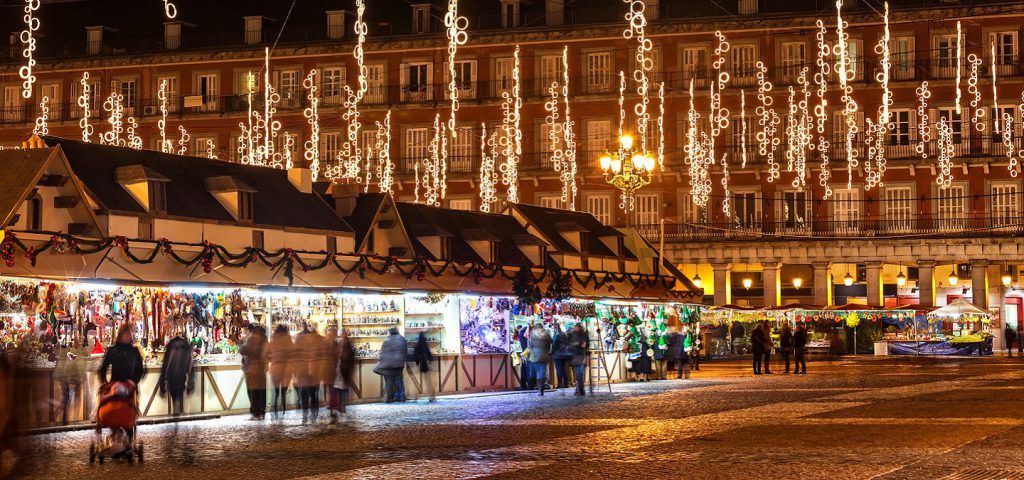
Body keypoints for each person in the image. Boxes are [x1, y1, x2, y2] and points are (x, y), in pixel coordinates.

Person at [158, 332, 195, 417]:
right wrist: (190, 385)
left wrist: (162, 386)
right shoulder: (186, 345)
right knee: (179, 393)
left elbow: (166, 364)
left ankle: (177, 412)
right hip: (182, 375)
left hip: (172, 374)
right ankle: (178, 412)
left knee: (175, 394)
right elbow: (190, 364)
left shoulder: (171, 345)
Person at [294, 324, 326, 423]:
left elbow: (295, 356)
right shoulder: (318, 340)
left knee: (304, 395)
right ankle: (313, 414)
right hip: (314, 371)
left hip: (303, 371)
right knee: (313, 394)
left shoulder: (299, 340)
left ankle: (305, 415)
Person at [54, 339, 88, 425]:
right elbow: (70, 359)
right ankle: (59, 418)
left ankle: (62, 418)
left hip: (63, 375)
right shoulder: (67, 349)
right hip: (63, 375)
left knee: (66, 397)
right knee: (66, 397)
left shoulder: (64, 349)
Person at [240, 324, 268, 420]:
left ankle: (255, 412)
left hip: (252, 368)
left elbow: (245, 350)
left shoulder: (252, 339)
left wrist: (241, 343)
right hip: (261, 368)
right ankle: (262, 411)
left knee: (253, 392)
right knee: (261, 391)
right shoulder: (265, 338)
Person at [267, 324, 294, 420]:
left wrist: (273, 358)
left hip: (276, 369)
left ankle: (274, 410)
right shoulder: (289, 341)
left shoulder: (273, 341)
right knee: (283, 392)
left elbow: (266, 355)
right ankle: (283, 409)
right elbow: (293, 355)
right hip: (287, 369)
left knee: (275, 392)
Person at [376, 326, 408, 403]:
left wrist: (380, 361)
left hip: (387, 365)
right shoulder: (401, 339)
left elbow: (382, 353)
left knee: (389, 382)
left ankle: (389, 398)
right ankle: (401, 396)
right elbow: (405, 351)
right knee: (399, 380)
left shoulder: (387, 340)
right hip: (399, 364)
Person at [331, 330, 356, 420]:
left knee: (339, 390)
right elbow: (351, 358)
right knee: (341, 390)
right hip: (342, 370)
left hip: (341, 369)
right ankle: (341, 408)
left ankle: (339, 408)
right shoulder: (347, 343)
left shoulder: (339, 342)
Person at [528, 324, 552, 396]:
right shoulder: (546, 335)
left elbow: (530, 346)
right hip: (544, 355)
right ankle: (541, 388)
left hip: (536, 356)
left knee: (539, 372)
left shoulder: (532, 336)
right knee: (542, 371)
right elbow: (550, 344)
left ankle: (540, 389)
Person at [567, 322, 590, 396]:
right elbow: (570, 345)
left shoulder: (582, 335)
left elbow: (586, 345)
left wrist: (581, 344)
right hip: (576, 356)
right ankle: (580, 390)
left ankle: (580, 390)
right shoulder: (572, 335)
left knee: (579, 374)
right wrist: (578, 344)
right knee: (578, 374)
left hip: (580, 356)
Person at [413, 331, 435, 401]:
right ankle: (431, 396)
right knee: (428, 381)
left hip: (419, 364)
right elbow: (428, 354)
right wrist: (430, 360)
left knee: (417, 381)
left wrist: (416, 362)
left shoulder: (417, 345)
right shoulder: (425, 345)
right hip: (425, 364)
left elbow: (415, 355)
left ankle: (415, 396)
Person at [551, 324, 571, 389]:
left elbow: (554, 345)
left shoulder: (556, 335)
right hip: (565, 354)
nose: (552, 329)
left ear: (555, 327)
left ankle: (560, 384)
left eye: (553, 327)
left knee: (559, 370)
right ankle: (566, 383)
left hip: (557, 355)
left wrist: (551, 352)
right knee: (564, 369)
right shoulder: (564, 334)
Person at [517, 324, 534, 391]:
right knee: (528, 371)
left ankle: (523, 386)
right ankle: (530, 386)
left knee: (523, 371)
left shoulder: (521, 336)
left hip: (524, 355)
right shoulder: (528, 337)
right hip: (529, 356)